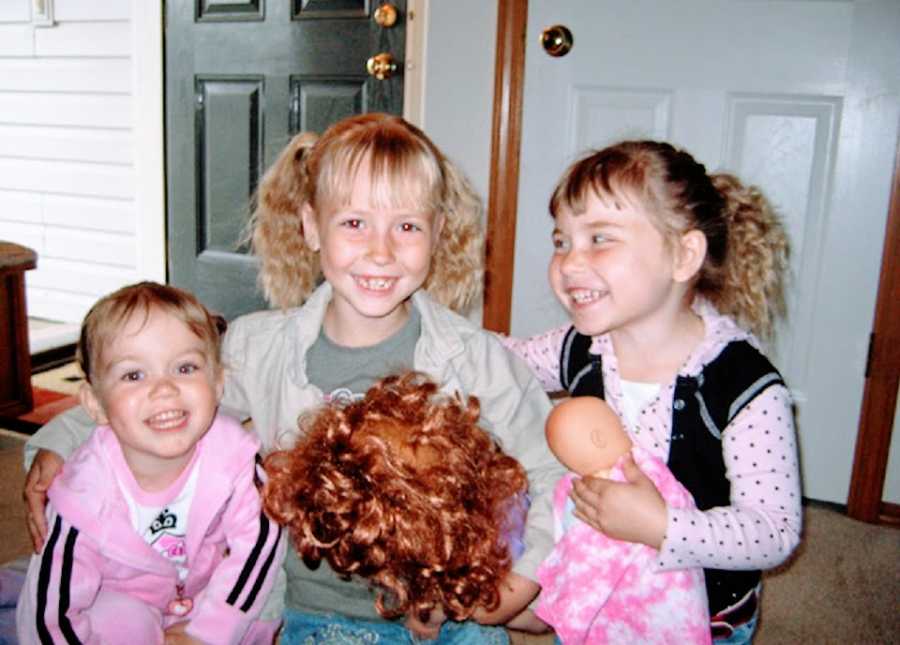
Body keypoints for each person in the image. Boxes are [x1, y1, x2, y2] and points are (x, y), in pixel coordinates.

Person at [22, 113, 563, 644]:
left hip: (445, 609)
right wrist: (54, 446)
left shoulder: (475, 357)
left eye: (407, 226)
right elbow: (153, 400)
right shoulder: (261, 347)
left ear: (437, 233)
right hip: (313, 608)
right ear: (310, 227)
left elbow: (551, 473)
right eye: (354, 223)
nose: (382, 250)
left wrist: (517, 582)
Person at [502, 140, 802, 644]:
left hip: (704, 614)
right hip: (600, 585)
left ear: (683, 255)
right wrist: (426, 326)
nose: (569, 262)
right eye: (561, 241)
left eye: (600, 238)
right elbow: (501, 360)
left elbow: (773, 532)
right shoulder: (581, 346)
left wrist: (664, 526)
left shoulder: (742, 384)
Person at [16, 282, 285, 644]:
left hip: (206, 591)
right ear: (94, 404)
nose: (164, 389)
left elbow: (258, 545)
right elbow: (49, 614)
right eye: (133, 375)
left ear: (219, 384)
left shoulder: (234, 457)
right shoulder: (82, 494)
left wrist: (206, 635)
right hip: (120, 596)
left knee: (259, 606)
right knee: (116, 620)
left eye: (185, 368)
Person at [263, 372, 530, 642]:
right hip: (330, 619)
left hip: (446, 602)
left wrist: (462, 608)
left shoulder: (488, 517)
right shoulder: (339, 513)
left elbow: (536, 617)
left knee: (481, 636)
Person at [532, 396, 709, 644]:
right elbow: (682, 507)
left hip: (619, 599)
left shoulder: (573, 492)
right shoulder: (643, 471)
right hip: (650, 597)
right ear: (599, 438)